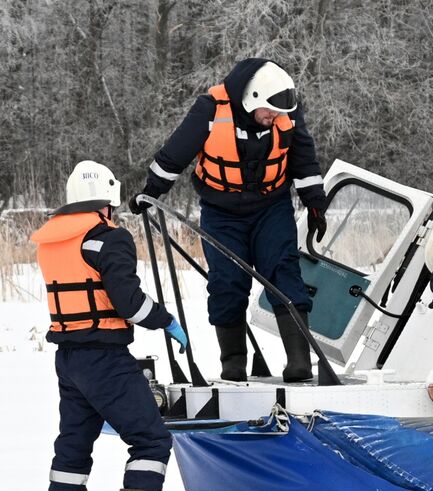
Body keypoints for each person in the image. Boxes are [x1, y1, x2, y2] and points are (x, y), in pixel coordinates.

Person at [30, 160, 190, 491]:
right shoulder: (109, 238)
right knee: (151, 440)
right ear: (107, 202)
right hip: (105, 359)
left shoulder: (53, 242)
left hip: (69, 360)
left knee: (72, 447)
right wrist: (165, 320)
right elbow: (129, 303)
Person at [132, 59, 326, 382]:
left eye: (278, 112)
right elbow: (175, 154)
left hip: (271, 207)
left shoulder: (286, 110)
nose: (274, 117)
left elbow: (304, 161)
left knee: (284, 271)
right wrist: (150, 191)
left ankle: (299, 360)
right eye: (269, 111)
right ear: (251, 98)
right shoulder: (210, 109)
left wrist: (316, 204)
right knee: (227, 282)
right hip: (221, 213)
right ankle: (233, 363)